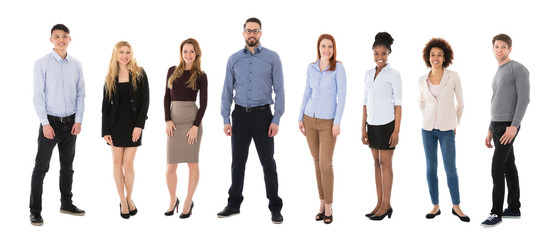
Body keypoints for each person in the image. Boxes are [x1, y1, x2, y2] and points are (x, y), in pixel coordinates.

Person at [219, 17, 284, 224]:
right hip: (239, 116)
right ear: (243, 33)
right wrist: (225, 118)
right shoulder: (234, 59)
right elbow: (226, 91)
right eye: (248, 31)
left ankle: (275, 206)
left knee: (268, 164)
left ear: (261, 34)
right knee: (237, 163)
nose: (252, 34)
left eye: (255, 31)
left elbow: (280, 90)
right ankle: (234, 204)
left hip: (263, 116)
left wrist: (276, 119)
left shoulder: (273, 58)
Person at [30, 24, 86, 226]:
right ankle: (35, 211)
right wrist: (45, 123)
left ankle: (66, 204)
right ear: (51, 40)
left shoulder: (76, 65)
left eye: (64, 36)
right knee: (41, 168)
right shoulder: (42, 64)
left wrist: (78, 119)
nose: (61, 40)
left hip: (71, 123)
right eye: (56, 36)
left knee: (68, 167)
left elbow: (81, 94)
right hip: (50, 124)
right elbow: (37, 97)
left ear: (70, 39)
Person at [481, 34, 530, 227]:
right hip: (497, 125)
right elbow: (496, 101)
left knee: (497, 168)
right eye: (496, 47)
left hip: (509, 125)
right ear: (493, 49)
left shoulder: (518, 69)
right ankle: (514, 208)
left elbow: (524, 98)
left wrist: (514, 125)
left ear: (510, 48)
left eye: (503, 47)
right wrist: (490, 129)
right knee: (509, 166)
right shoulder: (498, 72)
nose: (499, 50)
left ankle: (496, 213)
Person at [419, 38, 469, 222]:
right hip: (427, 129)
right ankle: (435, 205)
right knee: (431, 168)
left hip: (448, 129)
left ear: (444, 57)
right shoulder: (421, 80)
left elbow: (461, 103)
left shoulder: (453, 76)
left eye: (439, 54)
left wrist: (455, 123)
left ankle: (456, 206)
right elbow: (422, 103)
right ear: (428, 57)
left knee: (450, 169)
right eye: (432, 54)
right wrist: (428, 117)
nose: (435, 57)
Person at [298, 34, 346, 224]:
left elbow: (342, 96)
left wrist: (337, 122)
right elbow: (306, 92)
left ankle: (329, 207)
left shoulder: (338, 68)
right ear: (318, 48)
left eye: (330, 47)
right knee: (317, 162)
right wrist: (300, 117)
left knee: (326, 164)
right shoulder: (311, 68)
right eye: (323, 46)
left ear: (334, 49)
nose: (327, 50)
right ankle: (321, 203)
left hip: (328, 123)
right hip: (309, 120)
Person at [102, 41, 149, 219]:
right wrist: (105, 130)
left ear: (132, 54)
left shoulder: (140, 73)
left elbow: (145, 102)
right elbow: (105, 107)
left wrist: (139, 126)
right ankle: (122, 200)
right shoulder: (110, 76)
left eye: (128, 52)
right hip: (114, 127)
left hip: (133, 126)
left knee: (128, 165)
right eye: (121, 52)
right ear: (116, 54)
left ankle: (130, 199)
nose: (124, 55)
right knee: (116, 164)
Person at [164, 38, 207, 219]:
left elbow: (204, 103)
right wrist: (167, 120)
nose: (188, 54)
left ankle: (188, 200)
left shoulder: (201, 75)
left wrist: (195, 126)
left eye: (191, 51)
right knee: (170, 167)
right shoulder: (172, 71)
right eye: (185, 51)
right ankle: (173, 200)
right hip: (174, 121)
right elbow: (166, 97)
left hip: (191, 121)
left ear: (196, 53)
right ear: (181, 53)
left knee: (192, 163)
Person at [361, 32, 401, 221]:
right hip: (372, 124)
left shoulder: (394, 74)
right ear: (372, 53)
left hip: (387, 125)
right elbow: (364, 103)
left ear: (389, 53)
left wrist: (396, 131)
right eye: (376, 53)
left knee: (386, 164)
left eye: (383, 53)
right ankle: (379, 203)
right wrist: (363, 128)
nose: (379, 57)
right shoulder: (368, 74)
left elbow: (398, 105)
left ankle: (387, 205)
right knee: (375, 163)